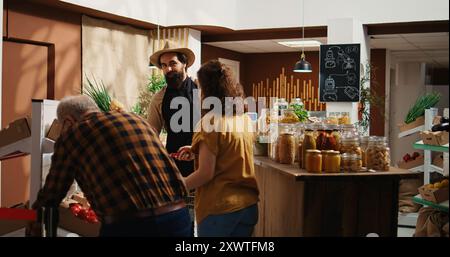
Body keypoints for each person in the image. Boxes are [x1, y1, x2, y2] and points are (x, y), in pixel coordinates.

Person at [30, 95, 191, 237]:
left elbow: (51, 196)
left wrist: (34, 227)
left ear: (67, 122)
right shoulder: (137, 120)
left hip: (131, 226)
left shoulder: (74, 134)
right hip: (178, 218)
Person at [176, 60, 259, 237]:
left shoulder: (210, 122)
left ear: (207, 89)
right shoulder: (243, 119)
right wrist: (196, 149)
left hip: (220, 209)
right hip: (248, 206)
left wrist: (176, 187)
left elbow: (205, 173)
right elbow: (231, 150)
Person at [147, 40, 199, 177]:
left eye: (172, 63)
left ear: (184, 64)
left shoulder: (201, 91)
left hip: (202, 162)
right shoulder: (158, 98)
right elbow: (151, 135)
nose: (168, 69)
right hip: (174, 166)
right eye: (164, 65)